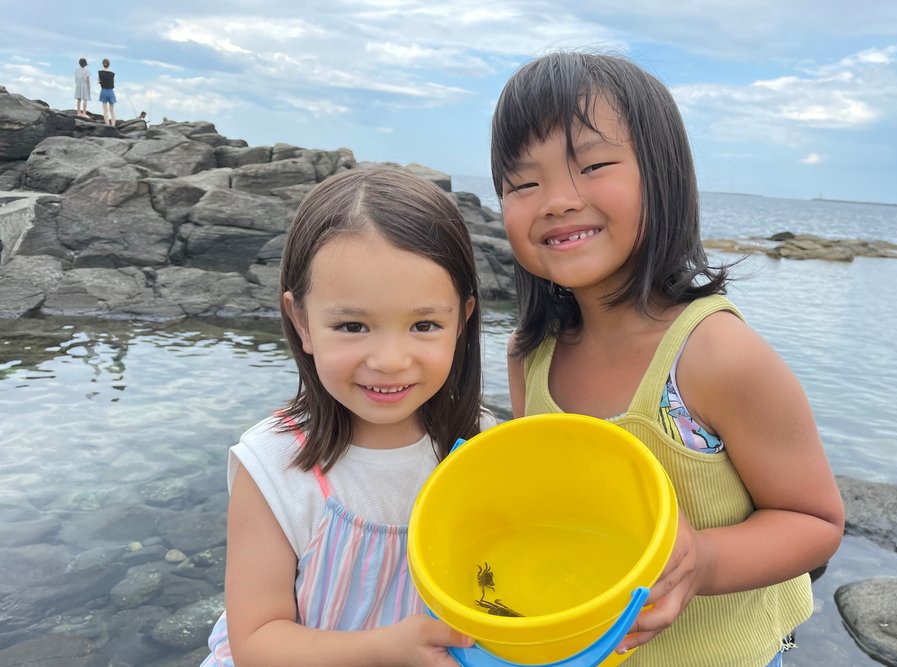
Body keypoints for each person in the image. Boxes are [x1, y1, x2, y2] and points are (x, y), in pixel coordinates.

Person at [491, 51, 844, 667]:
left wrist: (702, 561)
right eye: (524, 183)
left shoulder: (716, 356)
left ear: (663, 177)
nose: (557, 200)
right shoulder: (531, 355)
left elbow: (814, 520)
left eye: (593, 166)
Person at [201, 166, 491, 666]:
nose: (390, 361)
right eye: (353, 326)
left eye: (424, 325)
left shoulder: (485, 445)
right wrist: (385, 651)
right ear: (301, 322)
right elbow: (256, 641)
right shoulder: (276, 465)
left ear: (462, 321)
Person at [98, 58, 116, 127]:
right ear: (109, 65)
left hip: (104, 91)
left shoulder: (100, 73)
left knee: (105, 111)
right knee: (112, 111)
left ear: (103, 64)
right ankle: (113, 125)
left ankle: (108, 125)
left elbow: (99, 81)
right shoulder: (112, 74)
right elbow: (113, 83)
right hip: (110, 91)